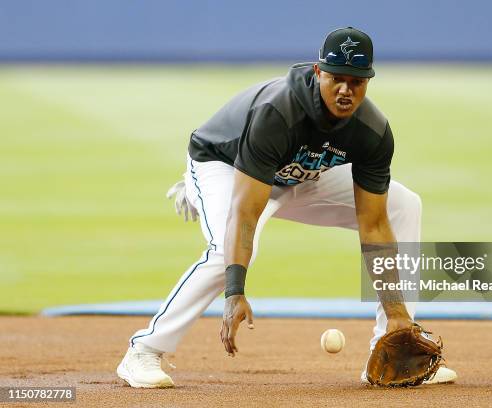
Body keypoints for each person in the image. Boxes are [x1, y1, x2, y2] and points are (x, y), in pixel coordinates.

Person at [116, 27, 457, 388]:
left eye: (356, 81)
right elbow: (245, 213)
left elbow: (373, 225)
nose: (346, 89)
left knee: (404, 205)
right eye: (336, 79)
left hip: (301, 173)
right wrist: (235, 291)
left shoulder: (372, 132)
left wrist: (397, 313)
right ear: (318, 73)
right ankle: (143, 351)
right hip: (227, 167)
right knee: (224, 253)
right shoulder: (277, 112)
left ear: (368, 81)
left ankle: (392, 346)